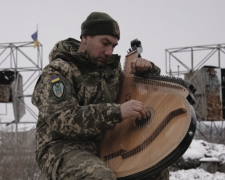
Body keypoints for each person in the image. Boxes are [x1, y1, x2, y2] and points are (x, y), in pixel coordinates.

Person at [32, 12, 168, 180]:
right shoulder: (57, 72)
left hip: (108, 145)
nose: (109, 51)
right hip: (62, 148)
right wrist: (116, 112)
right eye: (105, 43)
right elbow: (64, 120)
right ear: (85, 38)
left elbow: (135, 91)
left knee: (155, 169)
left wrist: (148, 69)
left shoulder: (111, 71)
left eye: (114, 46)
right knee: (99, 177)